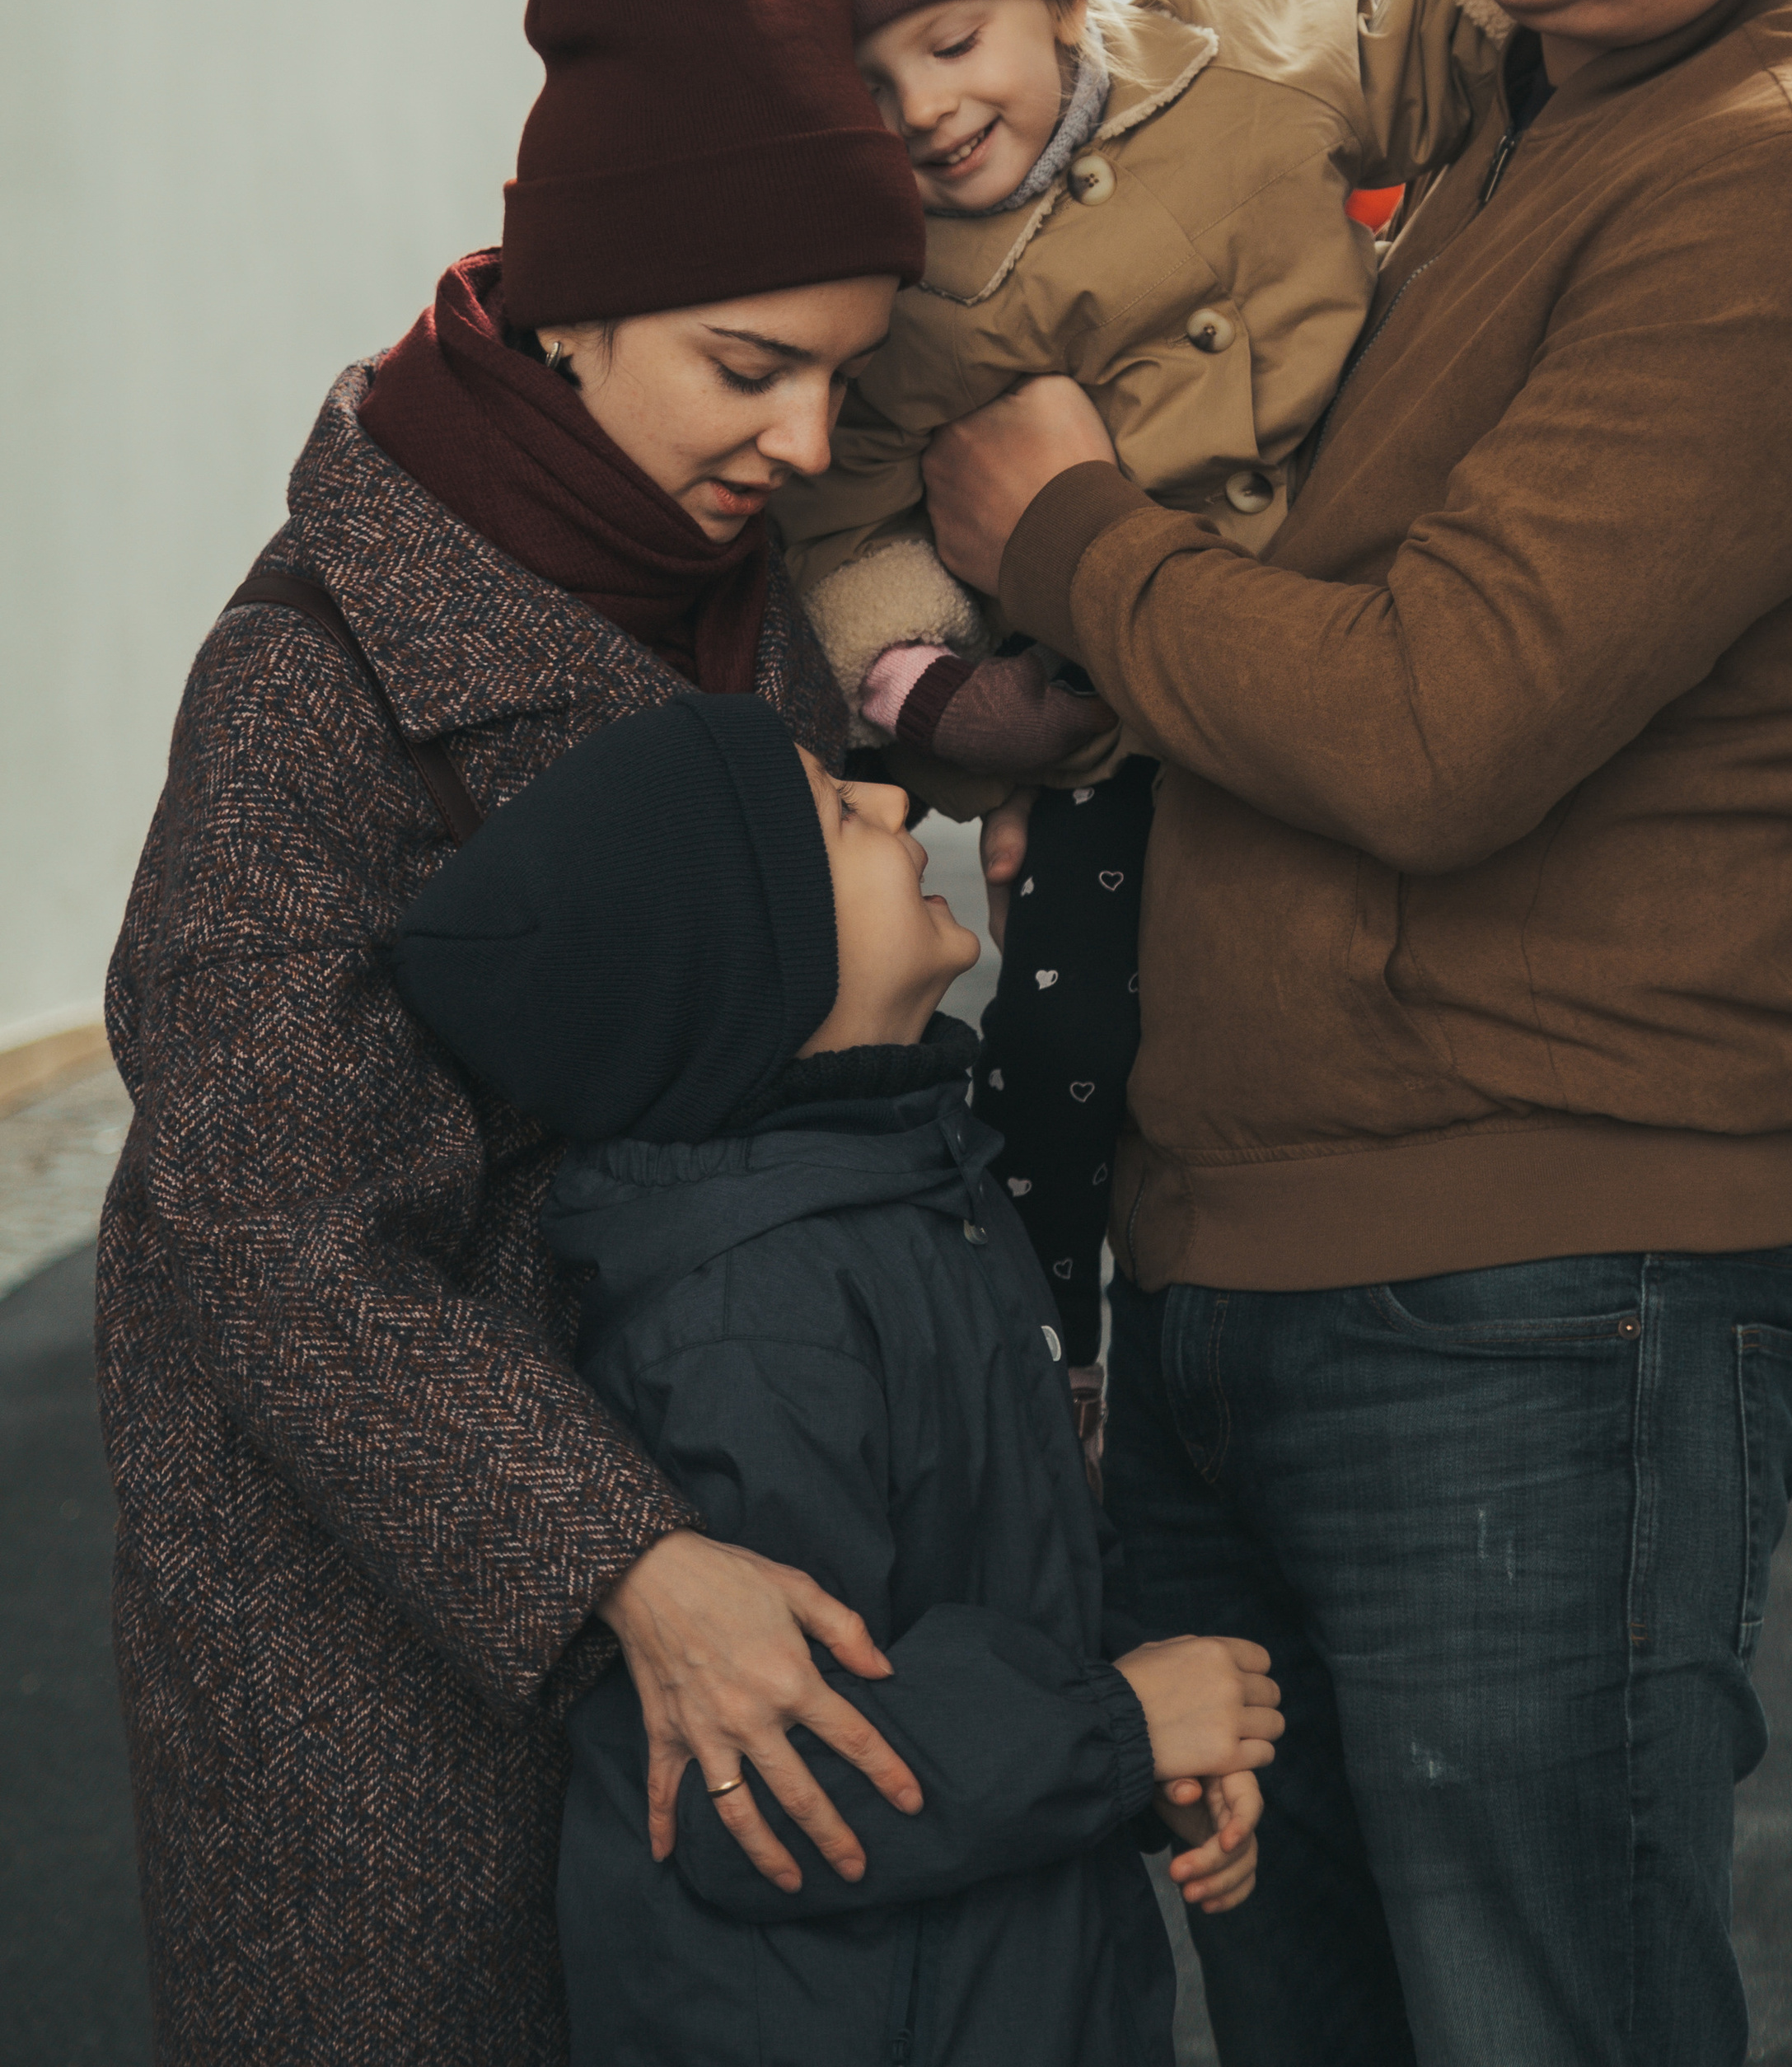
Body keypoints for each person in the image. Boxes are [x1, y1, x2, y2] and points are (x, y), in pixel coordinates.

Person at [919, 0, 1792, 2065]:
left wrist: (1065, 533)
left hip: (1532, 1310)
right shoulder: (1524, 71)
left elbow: (1433, 722)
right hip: (1251, 1258)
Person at [96, 0, 938, 2066]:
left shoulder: (734, 598)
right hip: (387, 1681)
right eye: (749, 367)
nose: (802, 445)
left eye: (840, 378)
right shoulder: (316, 681)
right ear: (574, 310)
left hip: (756, 1600)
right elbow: (275, 1237)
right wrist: (618, 1564)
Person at [669, 0, 1500, 1385]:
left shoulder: (1238, 53)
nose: (921, 107)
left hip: (1344, 630)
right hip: (1109, 717)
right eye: (863, 82)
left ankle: (1354, 1296)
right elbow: (842, 529)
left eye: (952, 40)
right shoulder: (897, 292)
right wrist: (943, 699)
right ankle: (1048, 1370)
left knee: (1355, 987)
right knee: (1058, 1046)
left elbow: (1422, 50)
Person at [391, 685, 1280, 2067]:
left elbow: (1000, 1574)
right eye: (836, 813)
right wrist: (1117, 1727)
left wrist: (1140, 1736)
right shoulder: (754, 1317)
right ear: (755, 970)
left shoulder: (913, 1194)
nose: (893, 798)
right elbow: (778, 1774)